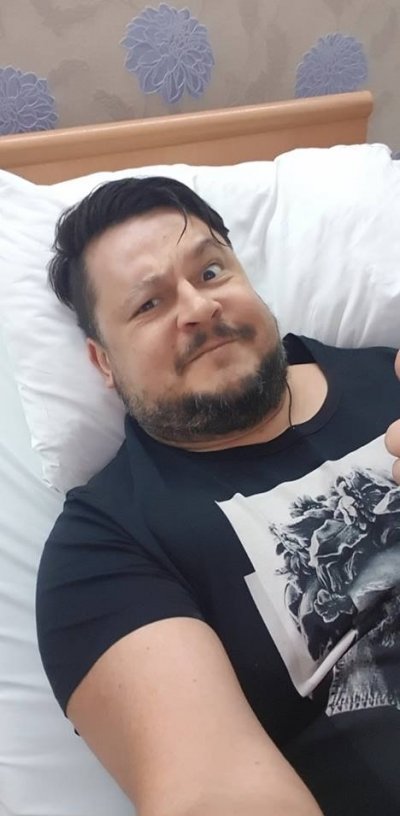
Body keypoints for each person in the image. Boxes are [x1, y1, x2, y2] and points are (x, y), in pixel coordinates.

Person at [36, 177, 400, 816]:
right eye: (148, 304)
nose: (198, 307)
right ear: (103, 362)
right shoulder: (103, 551)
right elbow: (213, 790)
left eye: (209, 271)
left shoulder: (392, 373)